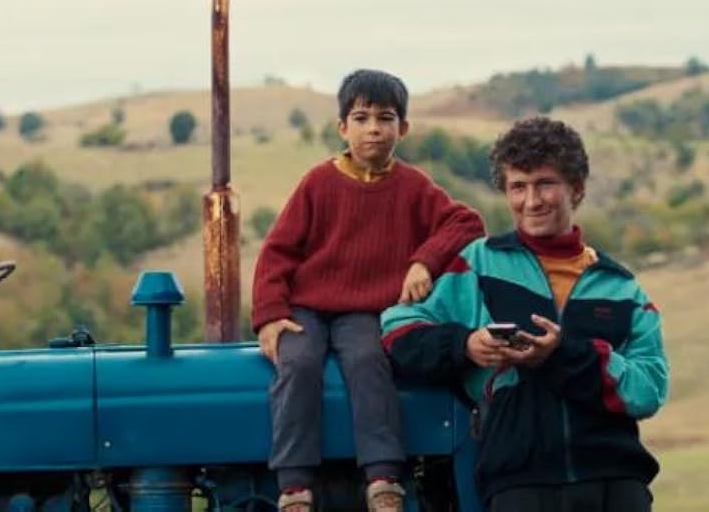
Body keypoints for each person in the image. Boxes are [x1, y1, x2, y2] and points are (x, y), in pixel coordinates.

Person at [380, 117, 669, 511]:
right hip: (518, 482)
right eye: (518, 186)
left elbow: (649, 389)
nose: (531, 201)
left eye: (545, 184)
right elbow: (398, 328)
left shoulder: (622, 289)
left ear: (577, 189)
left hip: (616, 484)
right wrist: (466, 345)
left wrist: (560, 354)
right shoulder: (477, 265)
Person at [252, 68, 486, 512]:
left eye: (385, 118)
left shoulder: (414, 186)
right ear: (342, 127)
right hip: (308, 306)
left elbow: (467, 222)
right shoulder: (319, 183)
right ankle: (294, 484)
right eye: (361, 118)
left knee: (368, 360)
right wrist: (268, 315)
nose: (373, 129)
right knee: (297, 362)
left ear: (404, 128)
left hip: (366, 311)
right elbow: (278, 252)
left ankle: (382, 478)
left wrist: (424, 260)